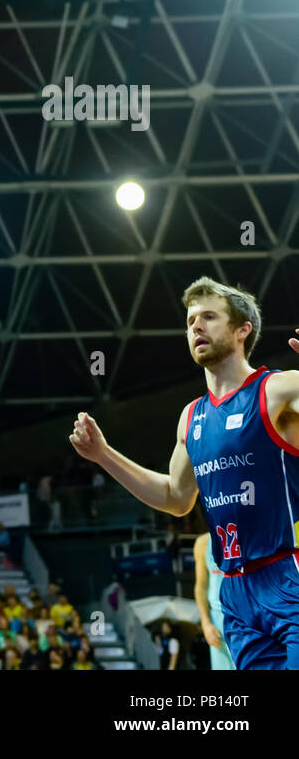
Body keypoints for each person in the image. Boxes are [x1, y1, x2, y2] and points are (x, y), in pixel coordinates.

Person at [70, 277, 299, 669]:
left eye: (209, 317)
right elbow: (175, 498)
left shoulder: (279, 389)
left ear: (243, 330)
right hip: (235, 591)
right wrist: (104, 456)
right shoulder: (191, 417)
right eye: (191, 319)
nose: (196, 326)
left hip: (287, 571)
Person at [193, 531, 235, 670]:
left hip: (244, 615)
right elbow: (201, 588)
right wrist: (205, 622)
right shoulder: (203, 543)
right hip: (217, 619)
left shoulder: (243, 531)